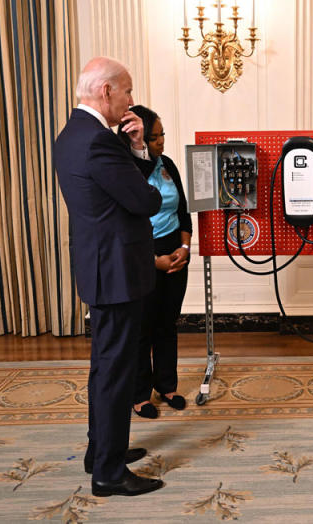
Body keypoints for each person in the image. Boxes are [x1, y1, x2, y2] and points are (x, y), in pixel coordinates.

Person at [53, 57, 164, 497]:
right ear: (106, 92)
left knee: (105, 366)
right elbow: (145, 201)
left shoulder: (73, 134)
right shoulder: (98, 141)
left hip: (101, 267)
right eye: (128, 91)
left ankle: (100, 451)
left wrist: (135, 147)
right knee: (116, 370)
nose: (132, 100)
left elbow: (119, 190)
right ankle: (109, 473)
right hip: (117, 271)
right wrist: (140, 158)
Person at [117, 105, 192, 419]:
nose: (162, 141)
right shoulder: (125, 171)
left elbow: (184, 212)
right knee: (141, 328)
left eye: (163, 135)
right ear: (139, 138)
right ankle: (139, 394)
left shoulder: (169, 165)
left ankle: (167, 385)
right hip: (142, 256)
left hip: (175, 253)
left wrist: (185, 248)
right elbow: (120, 226)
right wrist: (153, 261)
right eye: (155, 136)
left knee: (167, 323)